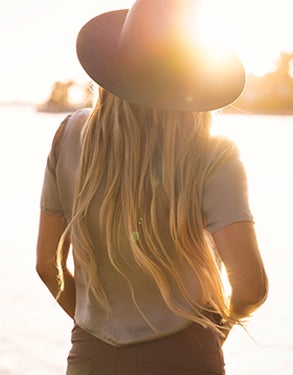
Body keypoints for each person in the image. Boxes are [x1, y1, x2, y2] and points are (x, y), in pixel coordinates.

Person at [36, 1, 268, 374]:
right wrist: (215, 332)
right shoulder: (214, 152)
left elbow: (48, 266)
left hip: (91, 358)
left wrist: (93, 329)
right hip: (186, 357)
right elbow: (251, 289)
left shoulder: (69, 135)